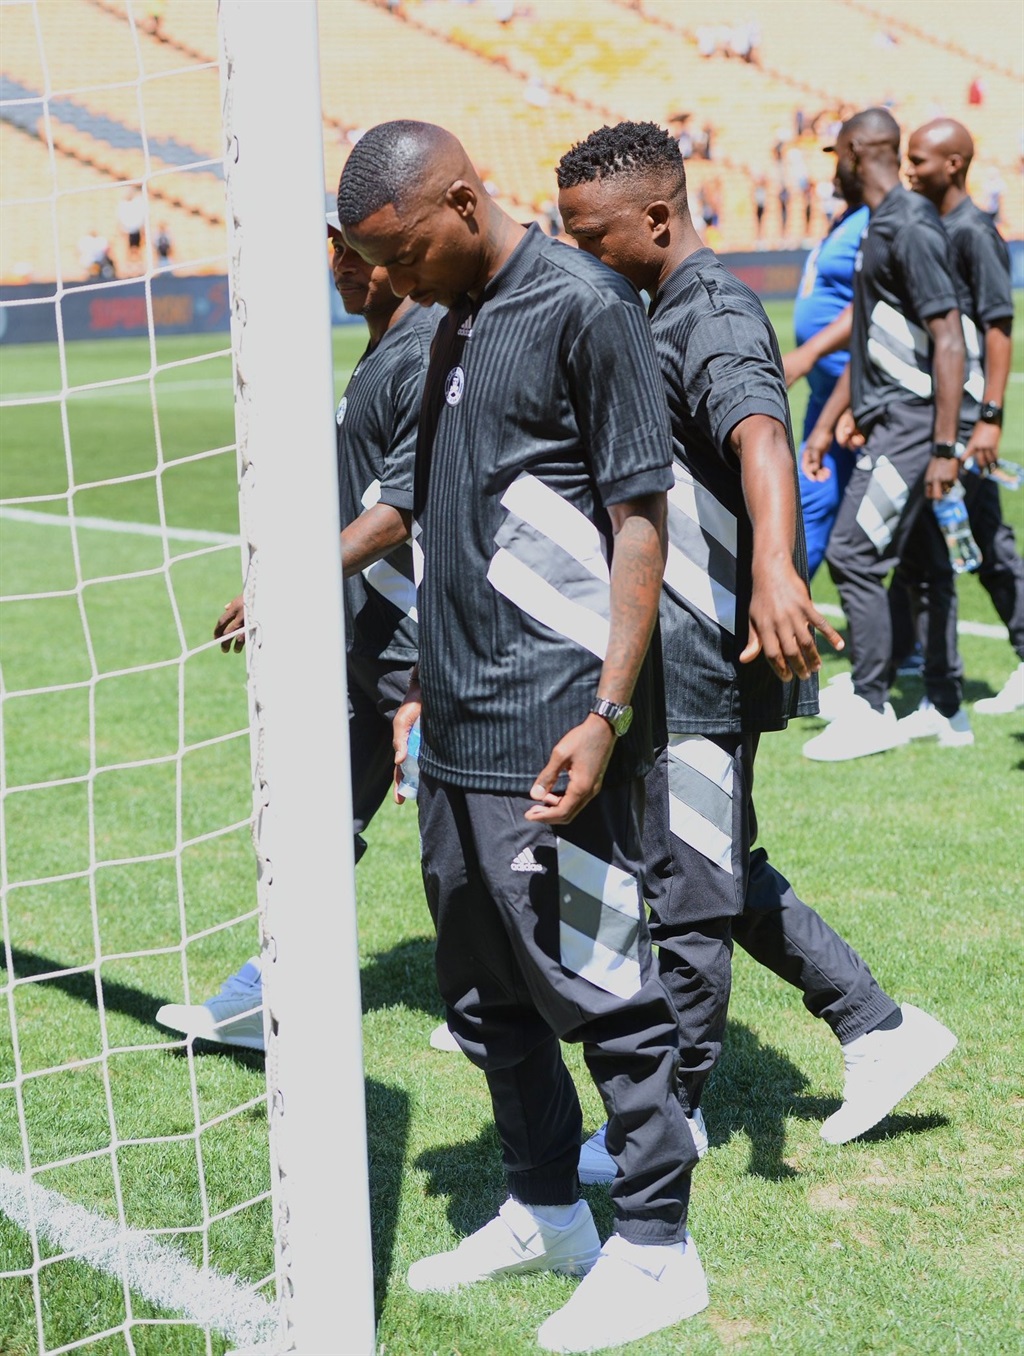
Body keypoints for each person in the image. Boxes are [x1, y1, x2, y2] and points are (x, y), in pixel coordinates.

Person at [338, 119, 708, 1354]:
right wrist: (395, 677)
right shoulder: (449, 323)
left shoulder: (582, 307)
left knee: (602, 986)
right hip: (450, 725)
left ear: (458, 198)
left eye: (400, 251)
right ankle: (548, 1204)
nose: (387, 279)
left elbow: (638, 522)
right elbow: (420, 504)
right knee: (486, 994)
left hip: (553, 725)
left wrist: (606, 712)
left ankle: (658, 1252)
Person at [555, 121, 956, 1166]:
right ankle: (876, 1025)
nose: (582, 251)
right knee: (706, 863)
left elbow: (760, 434)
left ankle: (669, 1112)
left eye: (592, 233)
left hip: (701, 662)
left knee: (688, 887)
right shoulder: (656, 302)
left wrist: (776, 571)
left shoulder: (712, 309)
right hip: (667, 650)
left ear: (656, 215)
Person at [156, 212, 441, 1050]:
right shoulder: (383, 343)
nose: (341, 264)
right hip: (358, 641)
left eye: (357, 249)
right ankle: (263, 994)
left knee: (464, 838)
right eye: (334, 247)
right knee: (321, 825)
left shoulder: (421, 347)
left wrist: (287, 585)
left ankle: (513, 1001)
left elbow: (399, 511)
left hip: (416, 646)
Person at [800, 108, 969, 762]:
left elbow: (949, 337)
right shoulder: (883, 225)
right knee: (923, 563)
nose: (831, 167)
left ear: (854, 150)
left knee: (851, 552)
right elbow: (873, 336)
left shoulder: (911, 225)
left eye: (833, 154)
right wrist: (828, 422)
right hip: (888, 416)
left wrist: (947, 445)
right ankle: (944, 708)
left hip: (912, 422)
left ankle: (872, 706)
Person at [898, 117, 1023, 716]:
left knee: (985, 538)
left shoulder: (973, 231)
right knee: (935, 542)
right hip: (941, 411)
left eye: (918, 159)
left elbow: (999, 326)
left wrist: (991, 418)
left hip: (971, 412)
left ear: (952, 165)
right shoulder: (929, 226)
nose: (908, 168)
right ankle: (921, 665)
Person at [782, 195, 869, 579]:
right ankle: (784, 626)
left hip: (868, 400)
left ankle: (908, 638)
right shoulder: (846, 218)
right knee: (812, 502)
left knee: (900, 532)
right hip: (828, 400)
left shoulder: (878, 219)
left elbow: (872, 301)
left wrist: (810, 352)